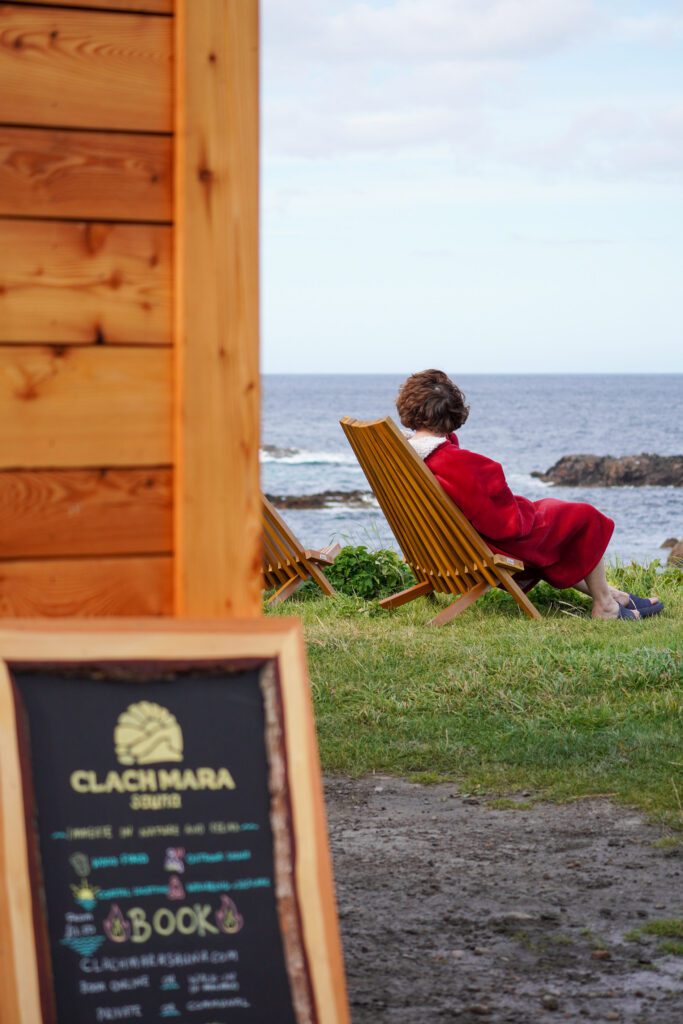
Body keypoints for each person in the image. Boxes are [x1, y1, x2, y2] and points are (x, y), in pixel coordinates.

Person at [396, 369, 663, 621]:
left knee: (556, 514)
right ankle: (606, 606)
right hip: (489, 547)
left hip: (449, 547)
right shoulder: (462, 463)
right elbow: (508, 524)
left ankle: (613, 596)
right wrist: (531, 510)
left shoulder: (405, 454)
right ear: (453, 414)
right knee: (583, 516)